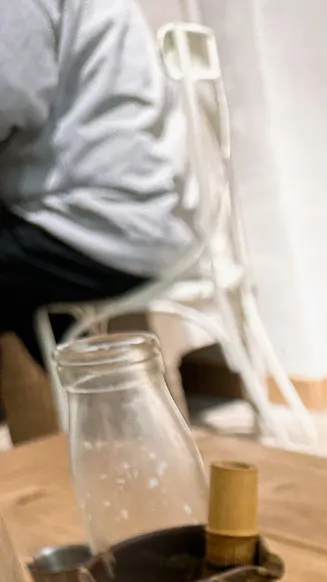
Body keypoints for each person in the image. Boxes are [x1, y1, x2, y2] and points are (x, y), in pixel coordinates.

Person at [0, 0, 193, 371]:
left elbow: (8, 98)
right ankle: (93, 392)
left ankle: (90, 389)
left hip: (97, 226)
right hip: (149, 214)